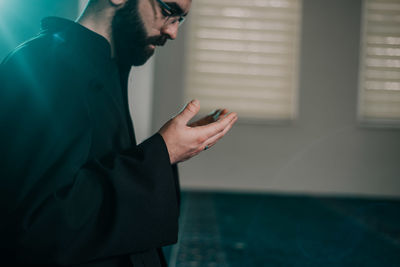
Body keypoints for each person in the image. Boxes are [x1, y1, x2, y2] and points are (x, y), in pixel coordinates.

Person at [0, 0, 237, 266]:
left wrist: (171, 149)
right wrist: (162, 153)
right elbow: (36, 225)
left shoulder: (104, 62)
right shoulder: (46, 64)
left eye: (180, 20)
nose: (173, 32)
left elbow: (96, 168)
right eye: (169, 11)